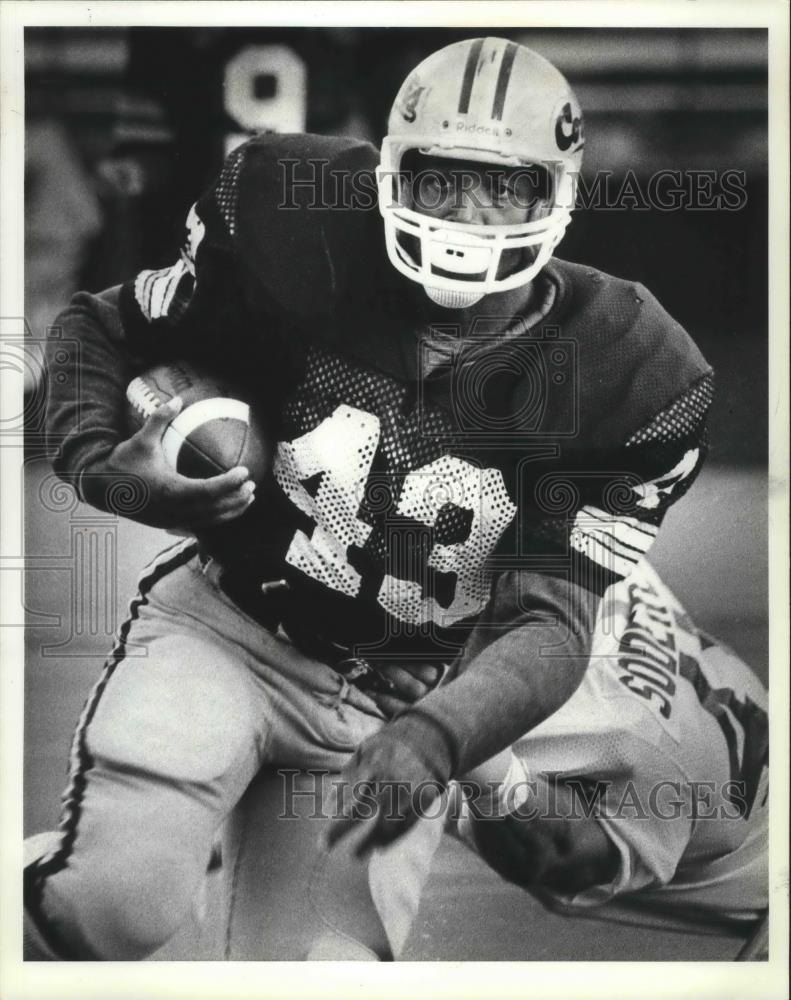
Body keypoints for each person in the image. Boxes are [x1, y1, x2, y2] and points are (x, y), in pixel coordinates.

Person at [25, 37, 724, 960]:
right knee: (111, 909)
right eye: (441, 180)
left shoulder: (632, 368)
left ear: (557, 193)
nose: (468, 214)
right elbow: (98, 326)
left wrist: (439, 737)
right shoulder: (288, 220)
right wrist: (109, 467)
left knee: (324, 973)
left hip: (394, 708)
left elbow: (553, 623)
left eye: (504, 187)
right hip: (228, 632)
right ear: (392, 170)